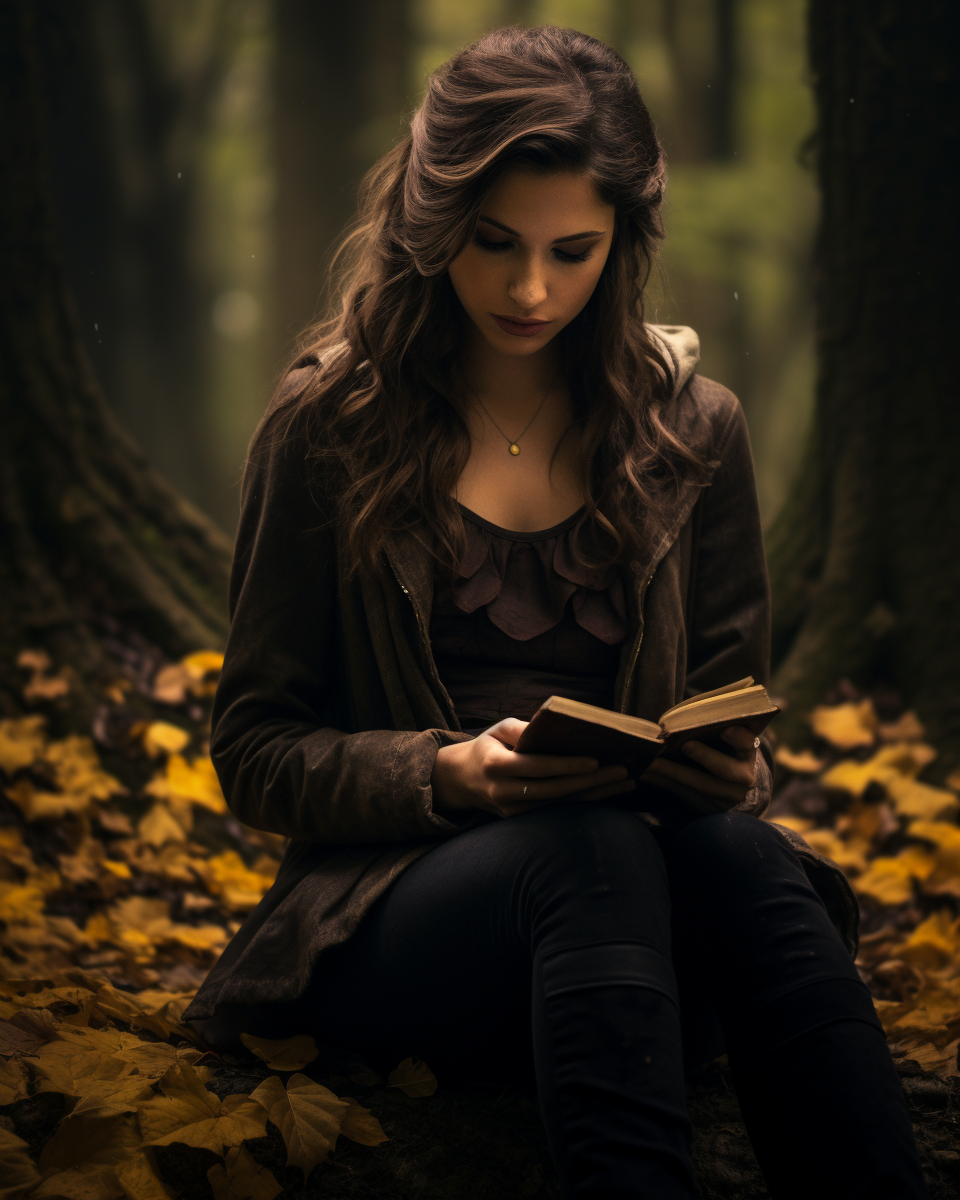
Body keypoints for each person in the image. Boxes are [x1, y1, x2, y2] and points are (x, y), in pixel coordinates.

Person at [182, 25, 929, 1200]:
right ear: (433, 231)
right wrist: (445, 775)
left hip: (636, 955)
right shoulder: (328, 429)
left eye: (572, 251)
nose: (531, 289)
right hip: (395, 937)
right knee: (579, 854)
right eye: (494, 245)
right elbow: (255, 748)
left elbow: (737, 729)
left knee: (745, 853)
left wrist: (724, 776)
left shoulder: (697, 432)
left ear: (623, 243)